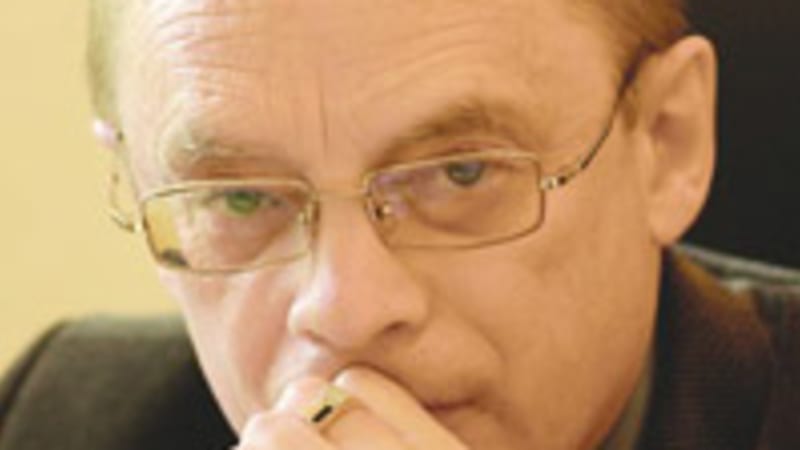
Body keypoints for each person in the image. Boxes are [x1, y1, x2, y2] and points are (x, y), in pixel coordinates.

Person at [1, 1, 798, 449]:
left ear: (666, 141)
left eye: (461, 174)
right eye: (241, 197)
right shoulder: (58, 417)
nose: (344, 310)